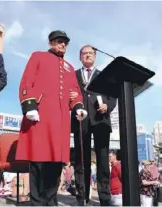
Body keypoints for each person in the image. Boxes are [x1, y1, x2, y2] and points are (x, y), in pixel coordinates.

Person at [15, 30, 87, 206]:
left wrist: (78, 106)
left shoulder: (69, 67)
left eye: (65, 42)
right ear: (50, 43)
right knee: (39, 161)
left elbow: (75, 92)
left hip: (61, 122)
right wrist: (30, 105)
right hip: (40, 117)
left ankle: (50, 201)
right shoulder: (38, 56)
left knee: (56, 163)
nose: (63, 44)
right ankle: (38, 202)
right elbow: (26, 81)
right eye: (59, 41)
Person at [71, 45, 117, 205]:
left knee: (103, 161)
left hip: (101, 120)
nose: (87, 56)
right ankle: (82, 196)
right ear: (80, 57)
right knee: (81, 160)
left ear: (95, 56)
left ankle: (104, 197)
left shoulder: (104, 75)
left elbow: (113, 96)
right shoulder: (73, 75)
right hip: (80, 120)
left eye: (90, 53)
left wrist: (108, 106)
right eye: (84, 53)